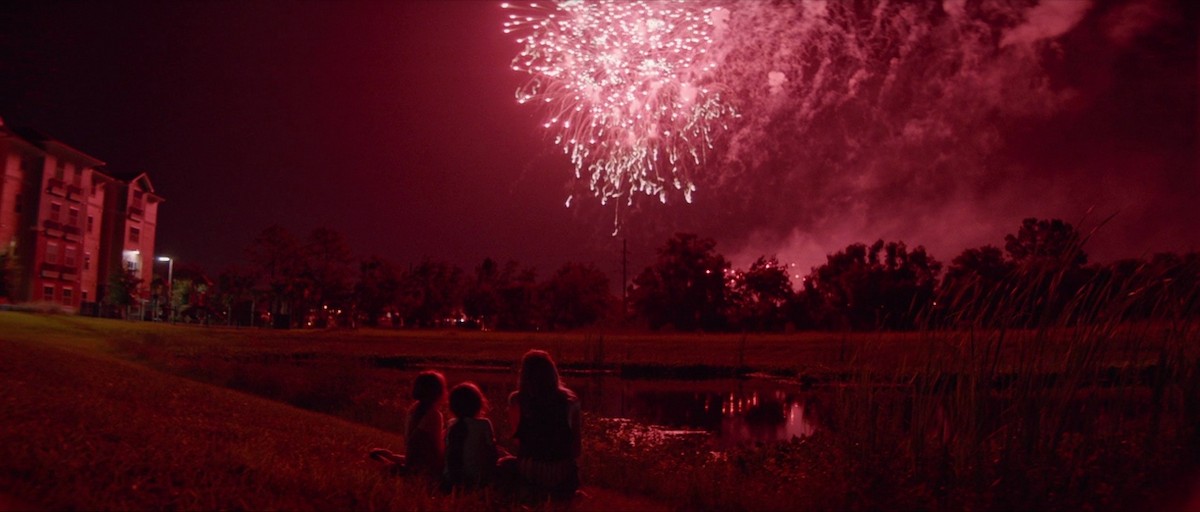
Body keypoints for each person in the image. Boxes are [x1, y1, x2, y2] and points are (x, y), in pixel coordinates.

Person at [505, 350, 582, 501]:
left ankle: (529, 491)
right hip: (562, 470)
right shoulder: (570, 400)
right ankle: (562, 492)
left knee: (503, 462)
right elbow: (576, 448)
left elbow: (519, 441)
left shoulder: (517, 399)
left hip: (531, 468)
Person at [369, 370, 446, 479]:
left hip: (416, 462)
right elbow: (418, 443)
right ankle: (394, 463)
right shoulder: (434, 415)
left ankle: (390, 459)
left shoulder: (413, 410)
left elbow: (417, 443)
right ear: (438, 392)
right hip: (426, 467)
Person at [442, 382, 502, 491]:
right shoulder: (484, 424)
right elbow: (493, 454)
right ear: (478, 404)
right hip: (478, 479)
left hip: (450, 479)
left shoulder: (451, 425)